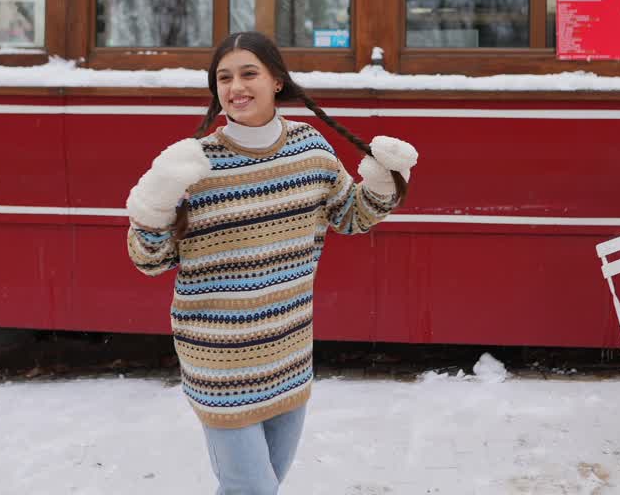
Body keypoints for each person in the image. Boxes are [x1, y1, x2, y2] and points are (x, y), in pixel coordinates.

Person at [125, 31, 418, 494]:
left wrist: (384, 179)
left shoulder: (311, 149)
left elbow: (350, 214)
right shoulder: (193, 165)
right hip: (219, 362)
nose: (235, 87)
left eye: (248, 73)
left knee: (263, 486)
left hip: (289, 354)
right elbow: (149, 260)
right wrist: (154, 206)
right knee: (253, 490)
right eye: (224, 78)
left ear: (277, 80)